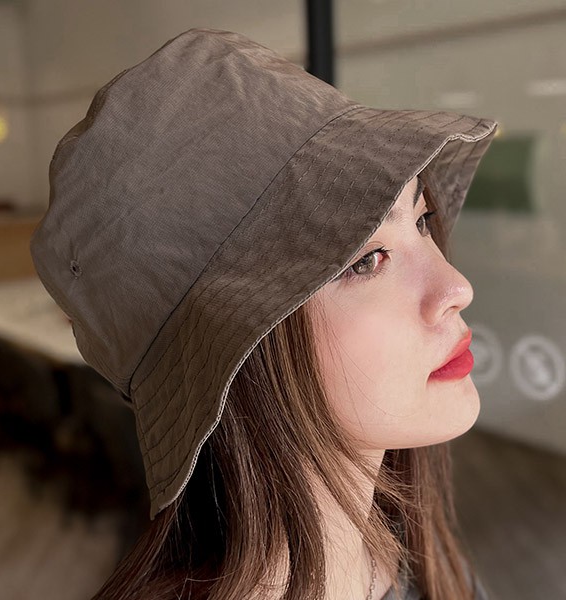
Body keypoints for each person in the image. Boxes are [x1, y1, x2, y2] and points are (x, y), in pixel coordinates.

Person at [29, 28, 498, 600]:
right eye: (367, 259)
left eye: (422, 221)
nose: (456, 288)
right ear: (241, 348)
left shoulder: (424, 567)